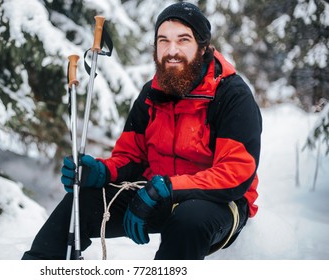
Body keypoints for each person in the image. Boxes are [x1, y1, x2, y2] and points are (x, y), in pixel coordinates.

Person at [22, 1, 262, 260]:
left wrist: (166, 188)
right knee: (79, 203)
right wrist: (101, 171)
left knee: (188, 220)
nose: (172, 50)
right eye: (163, 40)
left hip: (219, 203)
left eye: (183, 40)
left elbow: (235, 175)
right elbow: (131, 157)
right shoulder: (152, 94)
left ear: (203, 47)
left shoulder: (231, 95)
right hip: (156, 194)